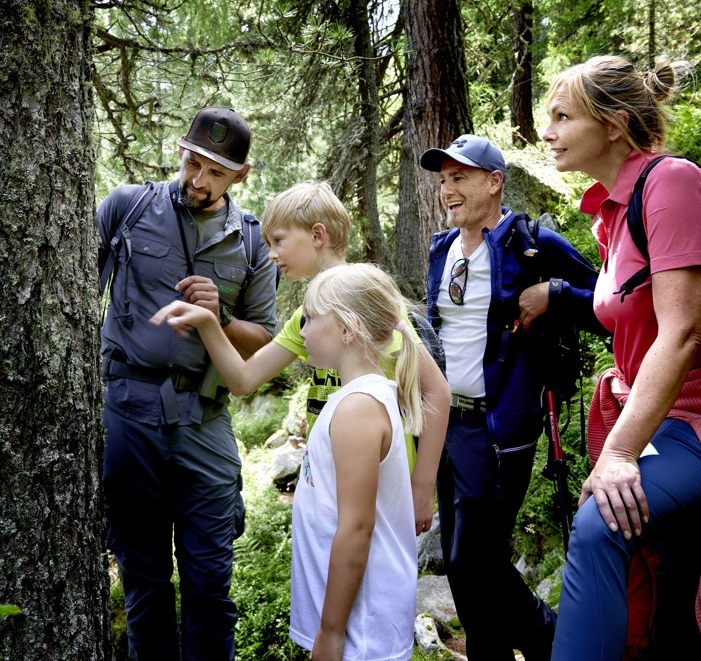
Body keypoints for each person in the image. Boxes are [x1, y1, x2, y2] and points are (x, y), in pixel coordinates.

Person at [539, 55, 701, 661]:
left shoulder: (672, 184)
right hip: (658, 413)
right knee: (669, 585)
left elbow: (681, 334)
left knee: (599, 525)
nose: (546, 133)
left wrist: (619, 454)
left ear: (612, 124)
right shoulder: (612, 212)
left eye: (561, 116)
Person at [152, 263, 423, 661]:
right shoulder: (360, 398)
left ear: (347, 329)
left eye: (310, 318)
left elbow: (357, 528)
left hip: (360, 632)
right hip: (353, 626)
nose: (303, 328)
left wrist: (331, 633)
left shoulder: (357, 411)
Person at [151, 179, 449, 535]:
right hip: (328, 483)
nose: (272, 254)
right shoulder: (306, 317)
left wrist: (421, 487)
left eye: (278, 241)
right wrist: (209, 322)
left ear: (317, 235)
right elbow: (244, 380)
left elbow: (437, 391)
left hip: (385, 486)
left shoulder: (369, 300)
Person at [96, 106, 279, 661]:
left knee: (209, 584)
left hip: (205, 421)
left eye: (214, 172)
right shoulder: (127, 208)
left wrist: (219, 314)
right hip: (128, 412)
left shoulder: (250, 242)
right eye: (191, 162)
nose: (197, 180)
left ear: (240, 176)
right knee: (145, 582)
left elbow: (265, 337)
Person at [420, 134, 602, 661]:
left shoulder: (532, 243)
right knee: (465, 563)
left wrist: (555, 294)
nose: (448, 190)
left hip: (500, 430)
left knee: (473, 560)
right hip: (444, 425)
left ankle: (552, 641)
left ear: (493, 181)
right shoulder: (442, 249)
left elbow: (611, 302)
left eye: (460, 178)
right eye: (444, 181)